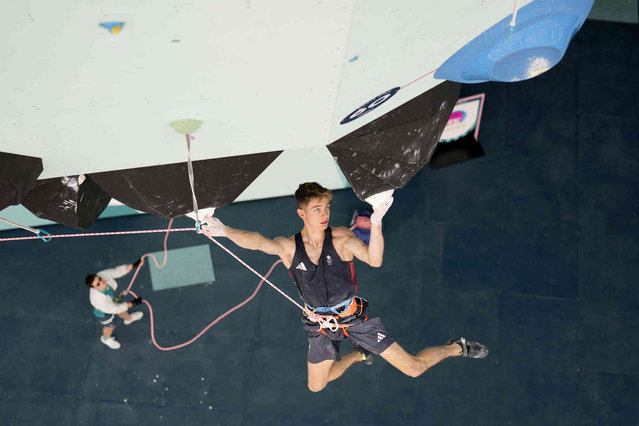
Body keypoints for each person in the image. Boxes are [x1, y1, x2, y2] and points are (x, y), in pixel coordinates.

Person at [202, 182, 488, 392]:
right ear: (302, 213)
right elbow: (257, 240)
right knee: (317, 386)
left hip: (352, 317)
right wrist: (224, 231)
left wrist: (376, 223)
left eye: (327, 207)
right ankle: (358, 355)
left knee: (413, 369)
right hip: (319, 323)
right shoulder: (289, 247)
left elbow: (374, 260)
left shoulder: (341, 238)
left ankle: (455, 347)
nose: (324, 213)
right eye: (317, 209)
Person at [85, 260, 145, 349]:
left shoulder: (102, 275)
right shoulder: (98, 300)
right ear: (94, 288)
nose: (102, 282)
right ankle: (105, 339)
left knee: (121, 310)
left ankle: (128, 319)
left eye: (100, 279)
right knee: (110, 327)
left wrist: (133, 265)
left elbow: (116, 271)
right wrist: (132, 304)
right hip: (104, 313)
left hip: (111, 302)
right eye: (98, 284)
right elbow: (114, 309)